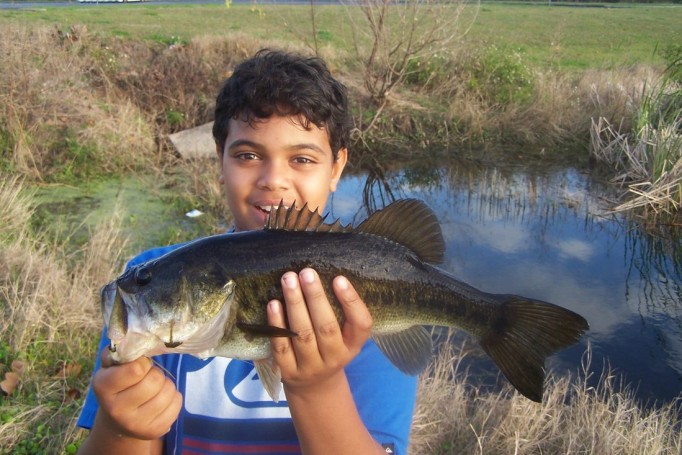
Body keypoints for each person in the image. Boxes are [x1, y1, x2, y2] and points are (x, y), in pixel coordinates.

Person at [76, 49, 418, 455]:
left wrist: (316, 387)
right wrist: (125, 428)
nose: (274, 181)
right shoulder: (150, 288)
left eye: (302, 158)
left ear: (337, 168)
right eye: (248, 155)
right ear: (219, 157)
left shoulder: (368, 314)